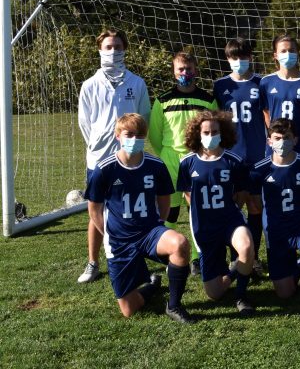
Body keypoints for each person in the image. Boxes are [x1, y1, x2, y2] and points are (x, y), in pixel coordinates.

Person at [86, 114, 193, 323]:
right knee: (129, 310)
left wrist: (158, 225)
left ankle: (174, 305)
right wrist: (109, 234)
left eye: (139, 135)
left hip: (149, 232)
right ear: (118, 135)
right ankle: (152, 287)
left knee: (179, 243)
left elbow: (164, 200)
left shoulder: (156, 165)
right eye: (129, 134)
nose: (134, 139)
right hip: (119, 240)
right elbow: (94, 210)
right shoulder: (104, 169)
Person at [78, 29, 151, 283]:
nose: (113, 52)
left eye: (118, 47)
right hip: (98, 158)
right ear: (100, 50)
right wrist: (99, 146)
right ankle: (93, 262)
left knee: (131, 209)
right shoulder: (89, 85)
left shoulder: (137, 83)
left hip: (129, 158)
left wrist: (131, 146)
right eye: (108, 47)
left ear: (124, 50)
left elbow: (143, 118)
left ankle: (136, 257)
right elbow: (85, 124)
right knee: (96, 209)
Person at [177, 111, 255, 316]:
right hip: (204, 226)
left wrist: (230, 211)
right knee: (215, 293)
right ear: (197, 133)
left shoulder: (234, 160)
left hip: (230, 220)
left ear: (222, 133)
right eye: (206, 132)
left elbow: (241, 194)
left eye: (215, 132)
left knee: (246, 246)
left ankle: (241, 295)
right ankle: (235, 269)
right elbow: (188, 195)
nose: (210, 136)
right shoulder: (187, 163)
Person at [250, 118, 300, 312]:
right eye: (277, 138)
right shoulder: (260, 169)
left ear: (295, 140)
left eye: (286, 137)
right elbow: (257, 203)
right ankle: (298, 266)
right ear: (269, 141)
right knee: (285, 294)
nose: (282, 142)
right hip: (276, 229)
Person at [149, 52, 218, 275]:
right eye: (180, 69)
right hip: (170, 160)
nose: (185, 73)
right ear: (174, 72)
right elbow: (155, 134)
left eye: (188, 69)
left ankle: (197, 257)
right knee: (169, 210)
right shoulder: (163, 100)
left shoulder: (207, 100)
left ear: (195, 70)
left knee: (195, 210)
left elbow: (214, 129)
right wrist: (166, 154)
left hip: (196, 160)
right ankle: (166, 253)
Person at [213, 37, 266, 274]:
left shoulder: (262, 83)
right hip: (230, 157)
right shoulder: (220, 85)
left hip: (256, 156)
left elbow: (268, 117)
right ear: (227, 59)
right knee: (232, 208)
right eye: (234, 57)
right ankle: (235, 257)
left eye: (243, 56)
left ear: (250, 57)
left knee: (255, 207)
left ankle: (252, 257)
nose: (239, 61)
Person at [260, 35, 300, 160]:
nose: (288, 54)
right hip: (276, 142)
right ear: (275, 55)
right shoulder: (266, 82)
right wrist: (276, 133)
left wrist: (298, 131)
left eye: (291, 50)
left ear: (297, 53)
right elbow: (266, 112)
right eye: (283, 51)